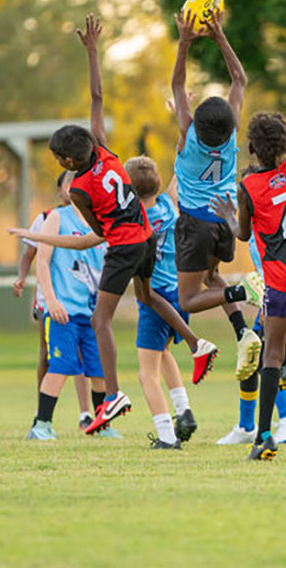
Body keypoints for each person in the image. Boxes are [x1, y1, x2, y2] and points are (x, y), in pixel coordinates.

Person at [10, 14, 217, 435]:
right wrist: (93, 51)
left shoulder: (81, 190)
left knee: (101, 320)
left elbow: (97, 236)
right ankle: (199, 344)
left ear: (69, 162)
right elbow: (98, 97)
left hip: (123, 247)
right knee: (148, 295)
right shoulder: (105, 151)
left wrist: (46, 236)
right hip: (146, 239)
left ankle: (114, 395)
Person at [203, 111, 286, 461]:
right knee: (268, 331)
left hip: (282, 277)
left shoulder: (248, 187)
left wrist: (230, 212)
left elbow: (242, 234)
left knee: (265, 354)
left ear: (252, 147)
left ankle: (265, 435)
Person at [171, 7, 263, 379]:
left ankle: (243, 293)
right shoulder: (231, 137)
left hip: (195, 224)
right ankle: (243, 332)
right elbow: (239, 78)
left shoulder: (188, 136)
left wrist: (184, 41)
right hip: (226, 220)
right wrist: (220, 35)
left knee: (187, 300)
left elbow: (177, 85)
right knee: (212, 279)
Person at [126, 156, 200, 449]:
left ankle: (167, 435)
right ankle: (184, 410)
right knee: (164, 352)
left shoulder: (133, 220)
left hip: (154, 299)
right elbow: (179, 174)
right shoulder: (169, 206)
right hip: (178, 294)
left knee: (147, 373)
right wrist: (185, 138)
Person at [25, 190, 109, 440]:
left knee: (99, 371)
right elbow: (42, 261)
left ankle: (101, 424)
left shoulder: (103, 224)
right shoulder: (58, 218)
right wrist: (50, 299)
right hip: (63, 312)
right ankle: (42, 424)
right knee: (60, 366)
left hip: (93, 314)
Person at [216, 232, 286, 446]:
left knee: (265, 360)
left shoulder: (277, 224)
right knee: (249, 356)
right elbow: (240, 233)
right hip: (272, 300)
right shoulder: (256, 224)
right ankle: (246, 427)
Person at [13, 173, 94, 428]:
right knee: (50, 354)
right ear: (59, 190)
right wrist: (22, 278)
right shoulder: (48, 218)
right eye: (67, 184)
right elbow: (31, 254)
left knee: (85, 354)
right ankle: (43, 414)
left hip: (84, 302)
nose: (72, 188)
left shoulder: (94, 219)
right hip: (52, 297)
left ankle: (86, 413)